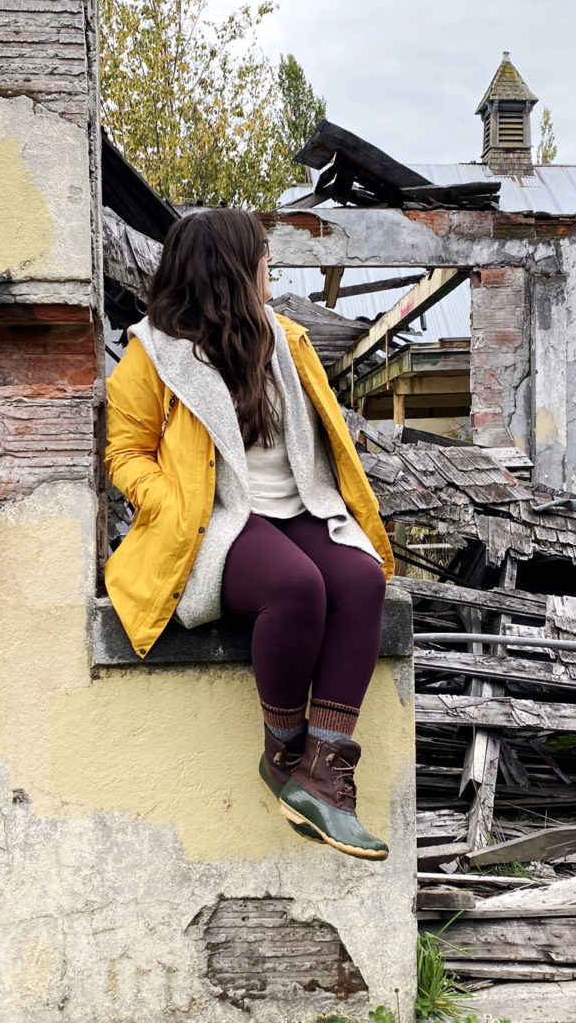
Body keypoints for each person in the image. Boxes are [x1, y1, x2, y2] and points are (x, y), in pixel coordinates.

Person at [104, 208, 395, 860]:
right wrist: (174, 505)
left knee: (360, 579)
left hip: (299, 508)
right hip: (218, 520)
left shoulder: (285, 341)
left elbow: (325, 442)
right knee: (296, 588)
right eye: (265, 254)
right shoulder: (155, 352)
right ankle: (283, 749)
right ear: (234, 266)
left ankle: (323, 776)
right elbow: (125, 451)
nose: (273, 265)